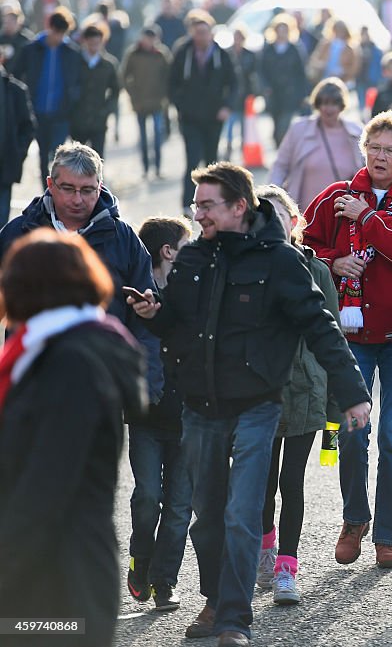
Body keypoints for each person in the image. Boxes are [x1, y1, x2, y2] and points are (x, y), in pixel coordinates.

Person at [130, 162, 372, 647]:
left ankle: (233, 621)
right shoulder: (195, 257)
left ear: (239, 207)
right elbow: (176, 322)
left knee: (242, 513)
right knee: (208, 513)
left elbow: (318, 324)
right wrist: (154, 314)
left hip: (259, 406)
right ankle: (214, 599)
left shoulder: (280, 261)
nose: (197, 214)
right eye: (196, 204)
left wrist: (350, 393)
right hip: (199, 407)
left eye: (207, 205)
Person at [304, 111, 392, 570]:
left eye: (391, 150)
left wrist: (370, 219)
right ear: (364, 150)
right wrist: (334, 260)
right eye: (374, 147)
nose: (381, 156)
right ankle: (354, 520)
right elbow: (301, 247)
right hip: (352, 337)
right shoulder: (335, 197)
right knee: (351, 434)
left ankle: (387, 535)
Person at [0, 230, 147, 647]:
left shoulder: (71, 361)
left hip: (58, 578)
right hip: (52, 566)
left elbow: (48, 481)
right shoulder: (62, 348)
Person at [0, 141, 162, 396]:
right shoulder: (18, 233)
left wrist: (146, 386)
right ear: (50, 185)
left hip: (99, 386)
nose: (78, 199)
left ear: (100, 187)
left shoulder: (123, 238)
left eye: (88, 190)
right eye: (68, 188)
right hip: (32, 385)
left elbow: (145, 318)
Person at [255, 185, 340, 604]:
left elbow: (334, 339)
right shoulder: (245, 268)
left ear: (295, 222)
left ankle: (287, 567)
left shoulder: (317, 270)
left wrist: (336, 416)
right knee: (263, 482)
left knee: (292, 481)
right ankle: (265, 547)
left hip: (307, 390)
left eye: (280, 215)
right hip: (261, 394)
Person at [127, 215, 193, 612]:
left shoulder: (193, 292)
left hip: (188, 417)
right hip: (147, 417)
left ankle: (164, 582)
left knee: (180, 505)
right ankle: (141, 559)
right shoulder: (136, 296)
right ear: (168, 251)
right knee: (149, 496)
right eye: (187, 245)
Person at [169, 10, 236, 217]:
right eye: (198, 32)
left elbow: (234, 83)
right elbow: (172, 83)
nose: (202, 36)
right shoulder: (183, 53)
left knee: (211, 160)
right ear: (192, 33)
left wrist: (226, 106)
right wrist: (180, 106)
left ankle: (212, 201)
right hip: (190, 118)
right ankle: (186, 204)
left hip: (214, 117)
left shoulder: (220, 54)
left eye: (206, 32)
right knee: (192, 159)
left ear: (211, 33)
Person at [270, 78, 363, 211]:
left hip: (342, 212)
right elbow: (280, 165)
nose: (328, 109)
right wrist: (273, 196)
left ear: (342, 105)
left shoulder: (357, 132)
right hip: (303, 212)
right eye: (323, 103)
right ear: (317, 104)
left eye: (334, 103)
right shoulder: (299, 129)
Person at [10, 6, 80, 184]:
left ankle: (58, 188)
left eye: (62, 33)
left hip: (61, 112)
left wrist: (73, 101)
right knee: (42, 153)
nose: (58, 37)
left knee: (57, 153)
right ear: (49, 28)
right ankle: (46, 190)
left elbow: (77, 79)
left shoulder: (71, 52)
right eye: (56, 32)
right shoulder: (32, 49)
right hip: (37, 110)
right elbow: (16, 74)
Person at [121, 26, 171, 179]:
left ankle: (157, 168)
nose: (149, 42)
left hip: (157, 103)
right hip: (140, 103)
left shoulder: (161, 54)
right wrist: (132, 94)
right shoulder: (133, 54)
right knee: (142, 138)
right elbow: (124, 76)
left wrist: (164, 95)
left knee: (157, 137)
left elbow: (169, 76)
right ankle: (145, 169)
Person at [70, 21, 119, 157]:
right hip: (77, 120)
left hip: (99, 120)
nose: (94, 47)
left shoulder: (108, 64)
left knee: (98, 159)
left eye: (97, 43)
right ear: (85, 42)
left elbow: (115, 90)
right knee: (77, 160)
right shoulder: (75, 62)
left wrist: (107, 109)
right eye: (91, 43)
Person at [260, 14, 307, 149]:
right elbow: (261, 70)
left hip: (290, 92)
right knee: (275, 121)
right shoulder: (268, 49)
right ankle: (278, 145)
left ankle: (284, 146)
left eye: (284, 29)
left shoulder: (294, 49)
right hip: (273, 93)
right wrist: (265, 87)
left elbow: (301, 73)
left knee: (285, 123)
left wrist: (303, 93)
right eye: (279, 29)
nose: (282, 33)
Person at [0, 62, 34, 224]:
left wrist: (17, 153)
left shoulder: (16, 90)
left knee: (2, 220)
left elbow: (28, 127)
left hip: (4, 167)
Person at [223, 26, 259, 160]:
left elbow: (254, 75)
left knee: (245, 126)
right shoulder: (227, 54)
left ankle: (244, 151)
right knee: (230, 125)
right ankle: (228, 148)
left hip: (245, 95)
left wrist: (254, 93)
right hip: (231, 95)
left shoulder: (250, 55)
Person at [307, 17, 360, 87]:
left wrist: (341, 71)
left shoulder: (350, 49)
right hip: (324, 79)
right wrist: (320, 64)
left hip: (342, 82)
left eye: (341, 30)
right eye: (337, 29)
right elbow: (314, 59)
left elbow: (354, 68)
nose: (339, 32)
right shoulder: (325, 45)